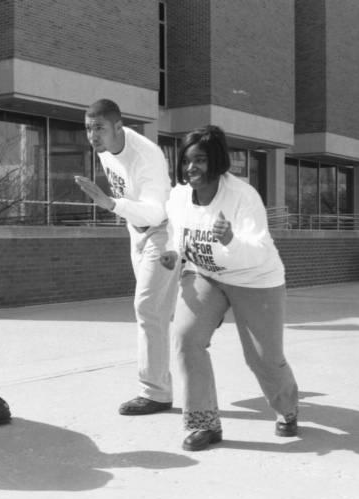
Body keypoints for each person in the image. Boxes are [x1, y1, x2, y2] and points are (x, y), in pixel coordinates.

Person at [163, 124, 299, 451]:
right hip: (206, 274)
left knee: (263, 359)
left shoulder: (242, 196)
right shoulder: (179, 196)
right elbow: (177, 234)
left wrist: (230, 240)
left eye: (200, 160)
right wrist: (174, 253)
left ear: (217, 161)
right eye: (187, 160)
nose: (191, 168)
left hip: (255, 279)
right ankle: (204, 423)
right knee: (186, 338)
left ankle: (287, 408)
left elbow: (259, 251)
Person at [76, 98, 178, 415]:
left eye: (99, 128)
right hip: (136, 231)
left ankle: (155, 393)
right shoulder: (105, 150)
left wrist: (111, 205)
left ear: (118, 126)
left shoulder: (146, 156)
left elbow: (156, 211)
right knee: (157, 311)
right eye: (88, 129)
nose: (93, 136)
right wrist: (121, 212)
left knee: (147, 308)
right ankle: (198, 309)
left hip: (163, 232)